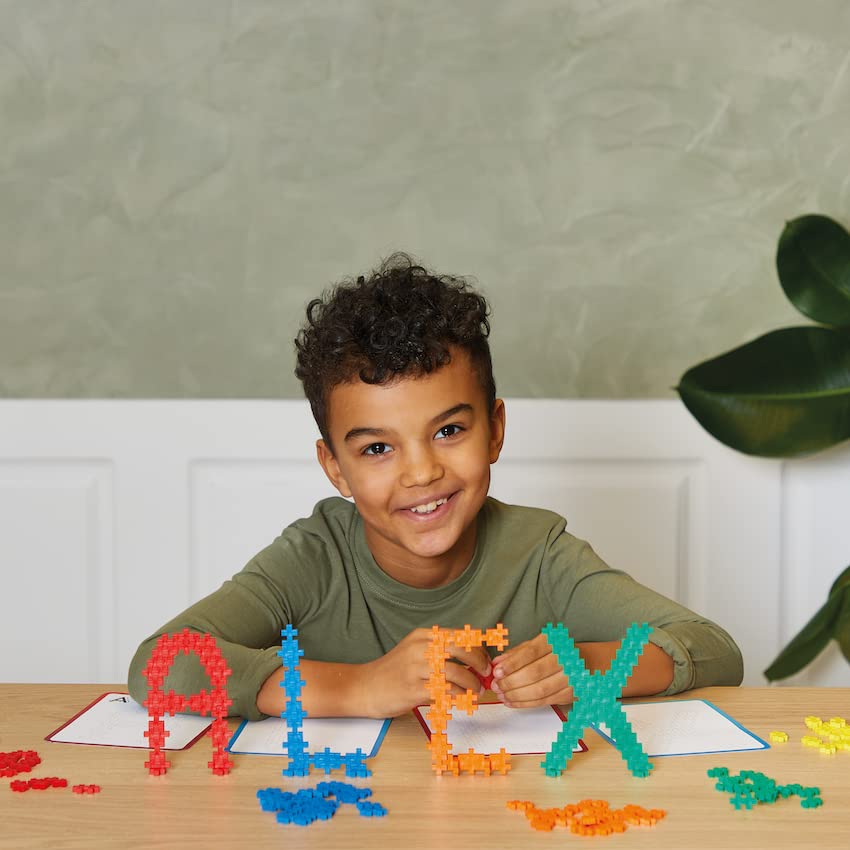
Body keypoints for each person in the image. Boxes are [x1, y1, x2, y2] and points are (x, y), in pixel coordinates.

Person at [127, 253, 743, 720]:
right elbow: (158, 664)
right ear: (334, 467)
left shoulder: (540, 553)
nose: (420, 473)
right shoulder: (313, 559)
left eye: (448, 430)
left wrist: (589, 667)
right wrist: (359, 686)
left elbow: (713, 649)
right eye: (376, 448)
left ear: (495, 430)